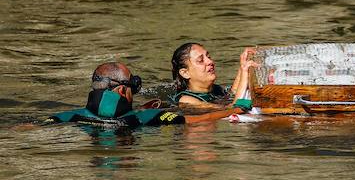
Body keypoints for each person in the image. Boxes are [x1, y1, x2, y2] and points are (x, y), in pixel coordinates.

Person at [46, 62, 242, 127]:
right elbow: (202, 118)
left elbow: (28, 126)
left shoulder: (69, 116)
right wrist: (237, 109)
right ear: (123, 90)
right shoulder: (146, 118)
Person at [171, 43, 256, 110]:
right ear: (185, 73)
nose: (210, 61)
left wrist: (242, 66)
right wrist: (245, 72)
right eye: (201, 60)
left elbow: (233, 93)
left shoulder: (216, 89)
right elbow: (232, 108)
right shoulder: (187, 100)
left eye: (208, 57)